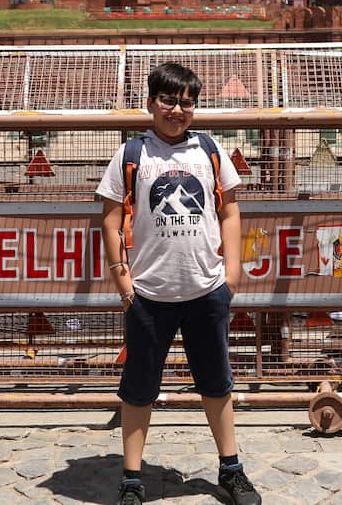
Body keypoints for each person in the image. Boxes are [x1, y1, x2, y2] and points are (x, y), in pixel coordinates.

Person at [97, 62, 260, 505]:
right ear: (151, 102)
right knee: (139, 387)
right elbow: (110, 221)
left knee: (216, 382)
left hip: (205, 289)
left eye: (186, 102)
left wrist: (232, 273)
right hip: (148, 295)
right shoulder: (132, 155)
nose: (176, 109)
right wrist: (122, 281)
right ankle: (132, 477)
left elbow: (230, 210)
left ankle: (231, 469)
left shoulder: (208, 150)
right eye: (168, 100)